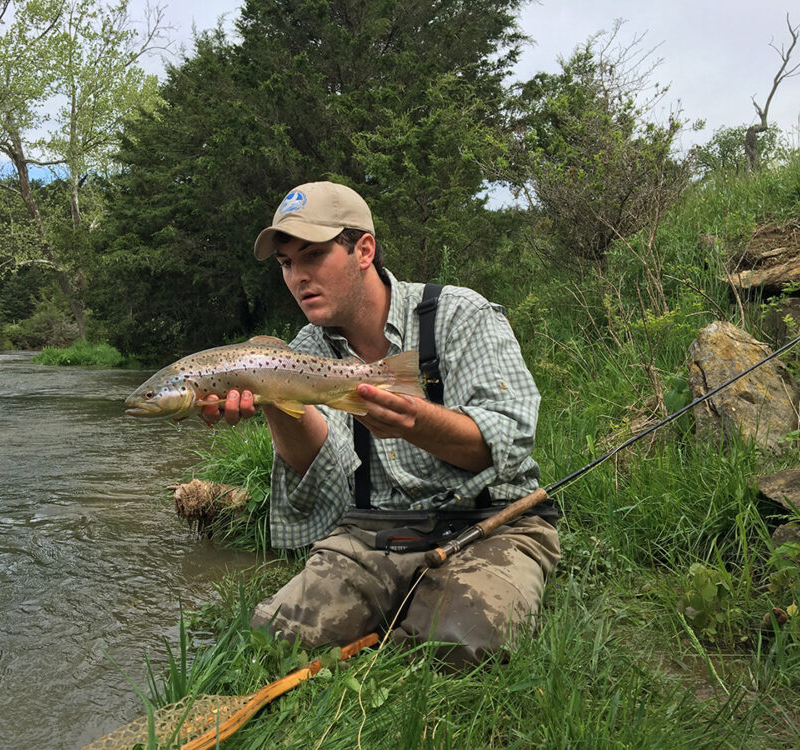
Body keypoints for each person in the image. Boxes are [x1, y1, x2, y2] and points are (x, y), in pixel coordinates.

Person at [201, 181, 560, 669]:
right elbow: (318, 471)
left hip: (490, 523)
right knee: (271, 641)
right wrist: (270, 397)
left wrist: (416, 423)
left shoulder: (459, 315)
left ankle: (437, 606)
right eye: (287, 264)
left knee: (455, 649)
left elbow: (508, 443)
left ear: (363, 249)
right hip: (373, 532)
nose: (298, 277)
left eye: (313, 256)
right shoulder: (301, 349)